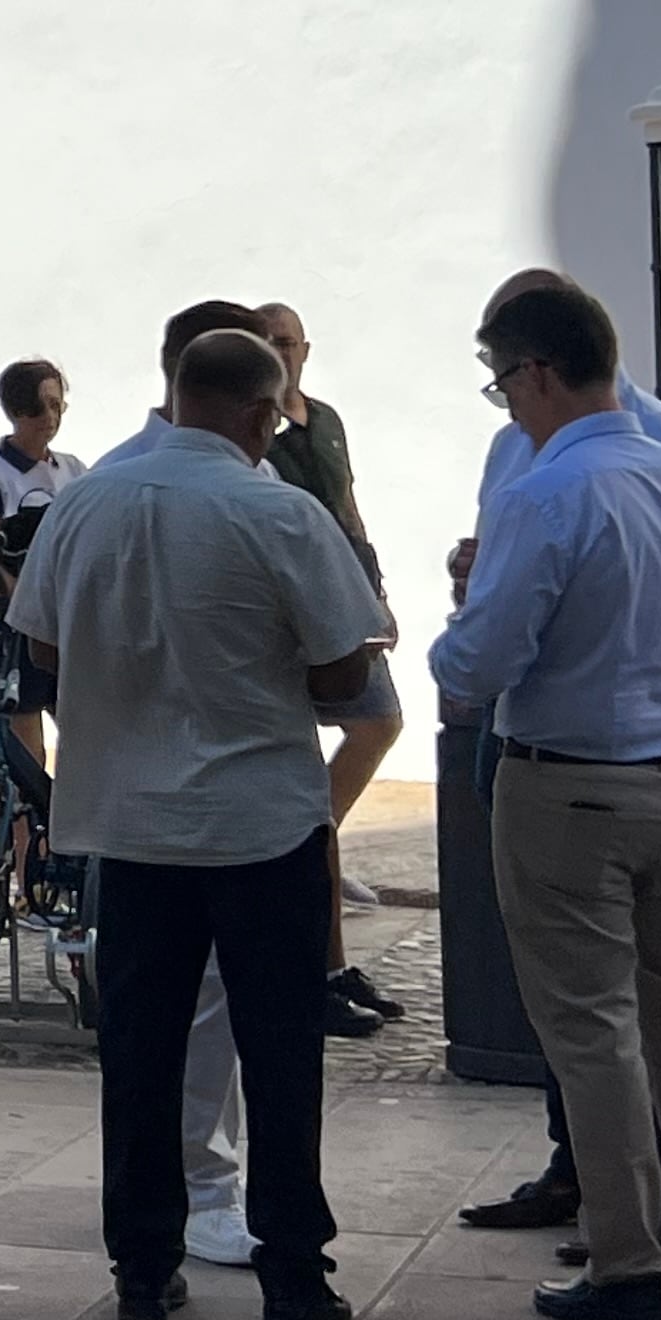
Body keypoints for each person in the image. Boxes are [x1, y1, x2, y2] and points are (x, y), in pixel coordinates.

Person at [13, 327, 380, 1320]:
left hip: (129, 825)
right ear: (262, 413)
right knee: (279, 1051)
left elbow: (40, 646)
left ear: (174, 393)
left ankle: (142, 1265)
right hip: (259, 821)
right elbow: (348, 675)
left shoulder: (83, 504)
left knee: (139, 1049)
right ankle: (295, 1280)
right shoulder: (279, 512)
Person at [426, 276, 661, 1320]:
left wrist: (453, 619)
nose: (505, 408)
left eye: (500, 386)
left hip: (570, 778)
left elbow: (481, 660)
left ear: (534, 372)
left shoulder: (546, 491)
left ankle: (625, 1261)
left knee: (592, 1027)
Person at [256, 303, 408, 903]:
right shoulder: (254, 430)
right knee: (302, 735)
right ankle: (309, 854)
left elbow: (347, 504)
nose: (279, 350)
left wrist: (377, 592)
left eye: (287, 340)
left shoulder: (325, 421)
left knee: (379, 722)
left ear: (305, 349)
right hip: (291, 602)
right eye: (267, 341)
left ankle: (318, 841)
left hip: (345, 591)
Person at [0, 359, 82, 768]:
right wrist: (19, 600)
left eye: (58, 406)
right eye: (40, 407)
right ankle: (23, 833)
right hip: (3, 627)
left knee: (86, 735)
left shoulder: (72, 470)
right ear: (16, 410)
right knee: (26, 755)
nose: (51, 418)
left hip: (58, 625)